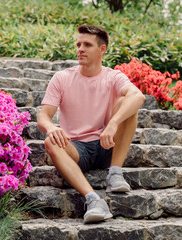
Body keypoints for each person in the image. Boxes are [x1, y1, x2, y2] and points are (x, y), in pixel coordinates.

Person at [37, 25, 145, 224]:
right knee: (50, 142)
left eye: (87, 44)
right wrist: (52, 128)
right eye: (78, 44)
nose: (80, 49)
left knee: (126, 103)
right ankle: (94, 200)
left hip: (107, 145)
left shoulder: (113, 76)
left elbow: (137, 96)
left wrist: (112, 124)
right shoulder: (62, 78)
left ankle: (115, 173)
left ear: (102, 50)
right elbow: (43, 116)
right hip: (77, 149)